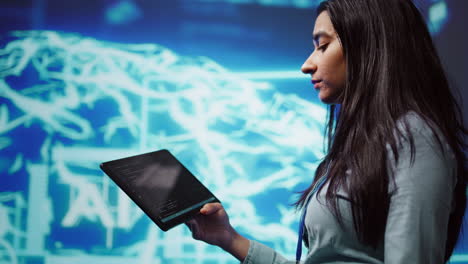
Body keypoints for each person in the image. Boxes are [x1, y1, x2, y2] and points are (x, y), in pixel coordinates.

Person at [185, 0, 467, 263]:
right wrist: (229, 238)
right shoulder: (358, 147)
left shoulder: (416, 137)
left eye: (322, 46)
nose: (307, 64)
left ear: (367, 47)